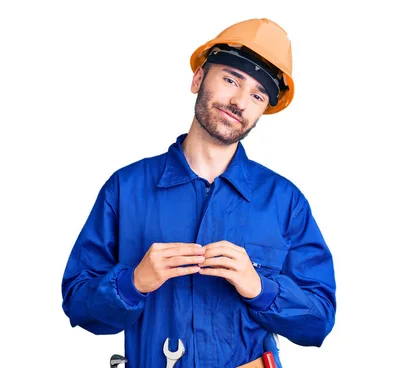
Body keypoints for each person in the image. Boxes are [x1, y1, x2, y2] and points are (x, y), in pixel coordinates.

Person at [61, 18, 336, 368]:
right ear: (198, 79)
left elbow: (319, 321)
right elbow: (78, 303)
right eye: (230, 79)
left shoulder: (285, 202)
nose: (239, 101)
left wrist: (260, 288)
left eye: (256, 95)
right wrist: (133, 283)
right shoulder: (126, 189)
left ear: (263, 109)